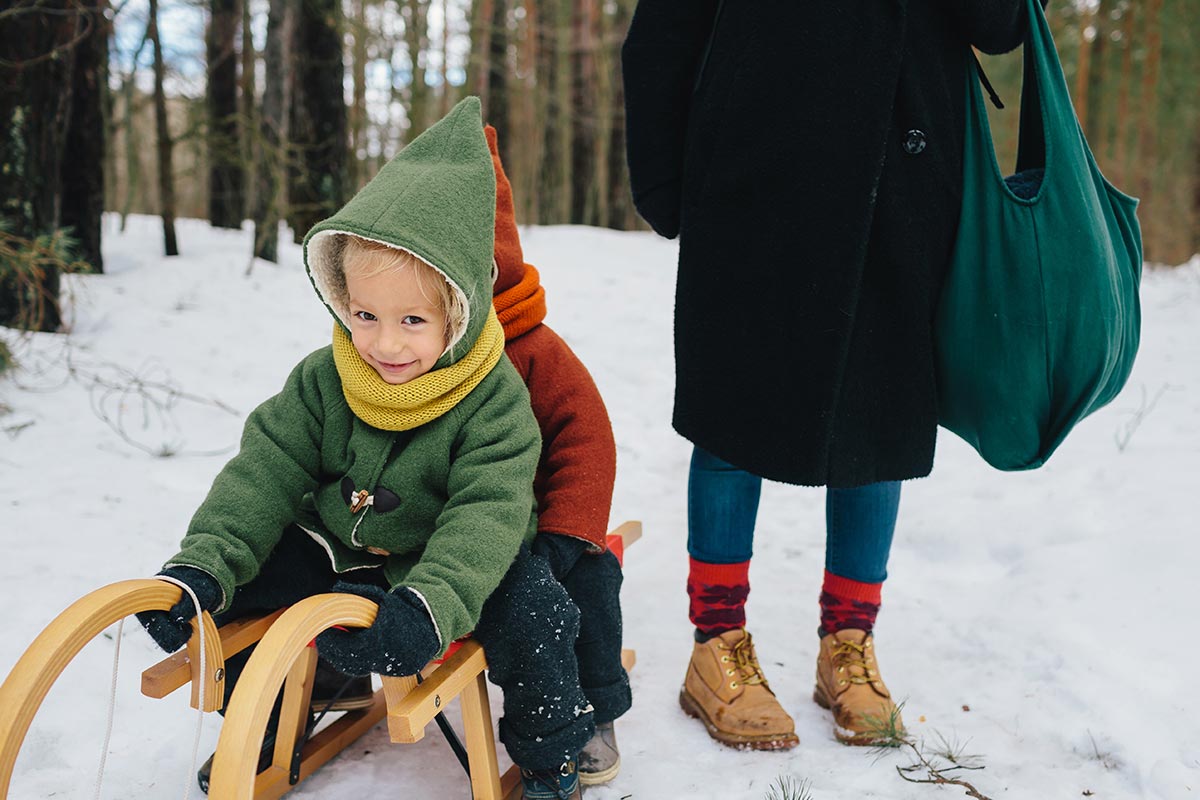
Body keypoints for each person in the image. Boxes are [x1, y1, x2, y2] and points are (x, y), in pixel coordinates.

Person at [136, 98, 592, 800]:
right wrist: (204, 569)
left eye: (413, 320)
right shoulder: (326, 378)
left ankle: (549, 757)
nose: (383, 343)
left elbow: (486, 514)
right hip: (339, 544)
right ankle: (267, 719)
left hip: (454, 561)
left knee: (537, 611)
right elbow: (265, 469)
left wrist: (430, 606)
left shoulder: (494, 400)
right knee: (252, 575)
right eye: (364, 316)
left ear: (460, 311)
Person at [621, 0, 1034, 748]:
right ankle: (716, 645)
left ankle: (849, 644)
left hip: (905, 172)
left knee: (883, 412)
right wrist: (665, 177)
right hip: (751, 165)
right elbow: (665, 30)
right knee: (731, 412)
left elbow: (1001, 28)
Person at [485, 124, 632, 785]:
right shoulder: (408, 353)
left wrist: (566, 533)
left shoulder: (535, 350)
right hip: (462, 532)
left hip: (547, 527)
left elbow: (585, 438)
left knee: (591, 579)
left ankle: (595, 704)